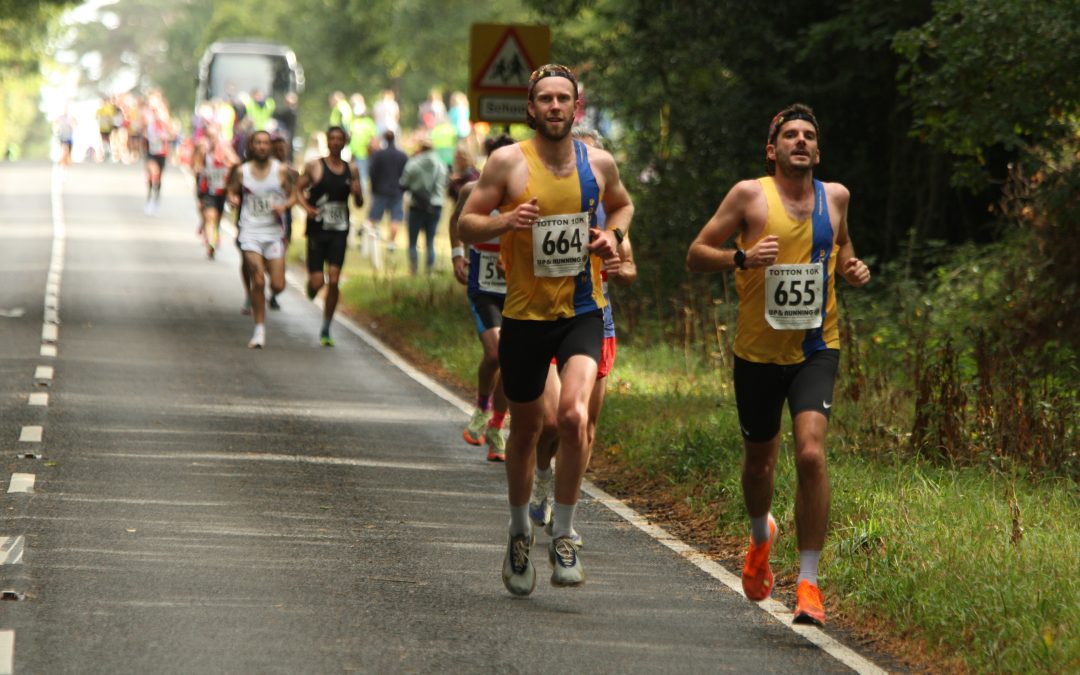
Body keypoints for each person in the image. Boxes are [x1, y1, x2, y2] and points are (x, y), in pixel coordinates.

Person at [685, 103, 871, 626]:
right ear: (772, 149)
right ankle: (760, 534)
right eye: (790, 134)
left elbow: (841, 246)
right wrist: (741, 258)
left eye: (809, 135)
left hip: (816, 348)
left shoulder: (836, 197)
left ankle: (809, 583)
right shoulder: (749, 195)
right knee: (759, 464)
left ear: (818, 148)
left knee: (811, 454)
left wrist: (852, 267)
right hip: (758, 354)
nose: (800, 141)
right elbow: (697, 253)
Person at [459, 64, 633, 596]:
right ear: (531, 109)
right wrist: (504, 222)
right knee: (530, 428)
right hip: (524, 316)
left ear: (575, 108)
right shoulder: (508, 163)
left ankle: (564, 532)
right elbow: (468, 221)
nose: (555, 107)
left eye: (564, 99)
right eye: (545, 100)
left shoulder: (598, 163)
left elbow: (622, 205)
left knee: (576, 415)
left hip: (581, 309)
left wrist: (613, 237)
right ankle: (517, 533)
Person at [528, 127, 637, 547]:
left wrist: (614, 264)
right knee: (555, 420)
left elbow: (630, 272)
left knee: (585, 426)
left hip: (596, 321)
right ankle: (542, 477)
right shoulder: (548, 208)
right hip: (546, 318)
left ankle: (564, 510)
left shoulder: (611, 219)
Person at [449, 134, 516, 461]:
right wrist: (457, 255)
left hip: (516, 288)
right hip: (483, 285)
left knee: (510, 360)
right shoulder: (471, 191)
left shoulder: (522, 194)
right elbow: (456, 221)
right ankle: (481, 409)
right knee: (495, 353)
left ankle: (497, 427)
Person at [226, 130, 296, 349]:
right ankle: (259, 330)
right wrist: (233, 199)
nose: (262, 147)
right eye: (258, 143)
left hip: (274, 234)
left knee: (278, 285)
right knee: (258, 280)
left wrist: (284, 205)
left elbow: (295, 194)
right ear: (252, 146)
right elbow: (231, 191)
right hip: (250, 232)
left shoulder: (282, 171)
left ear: (270, 147)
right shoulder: (241, 171)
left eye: (266, 143)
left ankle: (269, 286)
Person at [297, 126, 363, 346]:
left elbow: (359, 202)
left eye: (339, 139)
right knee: (319, 281)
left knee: (334, 280)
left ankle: (326, 328)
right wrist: (307, 208)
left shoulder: (352, 169)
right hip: (318, 229)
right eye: (332, 138)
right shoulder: (315, 166)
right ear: (327, 141)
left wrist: (357, 192)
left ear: (345, 142)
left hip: (339, 230)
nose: (335, 142)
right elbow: (297, 189)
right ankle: (312, 286)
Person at [400, 136, 449, 275]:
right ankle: (429, 272)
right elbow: (444, 183)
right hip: (435, 206)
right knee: (430, 241)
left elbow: (403, 183)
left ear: (420, 148)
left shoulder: (413, 163)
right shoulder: (441, 164)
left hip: (417, 205)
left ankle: (413, 270)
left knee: (412, 241)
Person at [192, 123, 239, 260]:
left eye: (214, 136)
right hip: (207, 188)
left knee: (217, 217)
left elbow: (236, 163)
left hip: (222, 189)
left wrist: (227, 163)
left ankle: (213, 235)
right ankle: (211, 244)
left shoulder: (226, 148)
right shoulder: (202, 147)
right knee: (209, 216)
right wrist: (200, 168)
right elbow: (196, 165)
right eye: (209, 136)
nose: (212, 140)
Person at [366, 130, 408, 251]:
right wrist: (403, 188)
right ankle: (391, 243)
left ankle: (370, 244)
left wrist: (373, 187)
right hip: (396, 191)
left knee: (374, 217)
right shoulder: (402, 155)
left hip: (380, 191)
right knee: (395, 219)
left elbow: (372, 173)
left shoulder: (378, 155)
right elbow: (406, 174)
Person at [142, 94, 173, 215]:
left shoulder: (166, 121)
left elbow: (172, 135)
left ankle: (156, 199)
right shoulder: (148, 120)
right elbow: (141, 129)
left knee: (158, 177)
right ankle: (149, 199)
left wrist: (164, 136)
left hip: (161, 152)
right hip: (151, 151)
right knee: (151, 173)